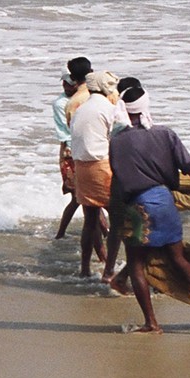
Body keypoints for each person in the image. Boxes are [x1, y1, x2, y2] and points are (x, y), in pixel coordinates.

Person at [106, 85, 190, 335]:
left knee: (136, 264)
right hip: (165, 202)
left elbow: (118, 180)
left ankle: (152, 323)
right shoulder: (166, 134)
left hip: (138, 207)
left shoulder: (117, 142)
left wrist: (116, 214)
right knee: (180, 259)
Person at [70, 70, 124, 278]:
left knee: (90, 221)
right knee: (118, 219)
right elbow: (121, 134)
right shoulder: (109, 108)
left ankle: (84, 269)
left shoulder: (80, 109)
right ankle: (109, 271)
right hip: (102, 166)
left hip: (81, 167)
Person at [51, 69, 83, 241]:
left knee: (81, 198)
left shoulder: (82, 99)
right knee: (79, 196)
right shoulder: (60, 103)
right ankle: (107, 232)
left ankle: (61, 233)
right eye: (63, 83)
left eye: (69, 83)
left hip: (82, 148)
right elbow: (66, 131)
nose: (66, 87)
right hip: (70, 151)